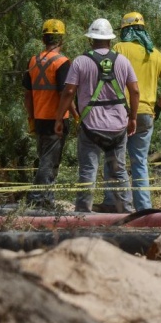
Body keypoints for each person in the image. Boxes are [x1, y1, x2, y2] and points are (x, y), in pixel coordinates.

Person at [96, 11, 161, 212]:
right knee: (140, 162)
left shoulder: (119, 49)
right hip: (146, 114)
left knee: (113, 160)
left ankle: (113, 202)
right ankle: (144, 207)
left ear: (125, 31)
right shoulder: (155, 53)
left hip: (121, 114)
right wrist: (159, 106)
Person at [54, 18, 140, 213]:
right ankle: (126, 212)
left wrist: (59, 118)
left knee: (87, 171)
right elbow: (135, 91)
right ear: (110, 39)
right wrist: (133, 117)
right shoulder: (122, 61)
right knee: (119, 173)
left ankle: (83, 214)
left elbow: (68, 92)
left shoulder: (80, 62)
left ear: (90, 40)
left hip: (91, 127)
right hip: (118, 127)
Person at [22, 19, 74, 209]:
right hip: (55, 119)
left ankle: (46, 200)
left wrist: (31, 118)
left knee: (46, 158)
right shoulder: (62, 62)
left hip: (39, 118)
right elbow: (65, 94)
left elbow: (27, 95)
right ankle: (37, 199)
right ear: (61, 40)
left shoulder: (33, 61)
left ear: (43, 39)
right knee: (48, 161)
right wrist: (66, 117)